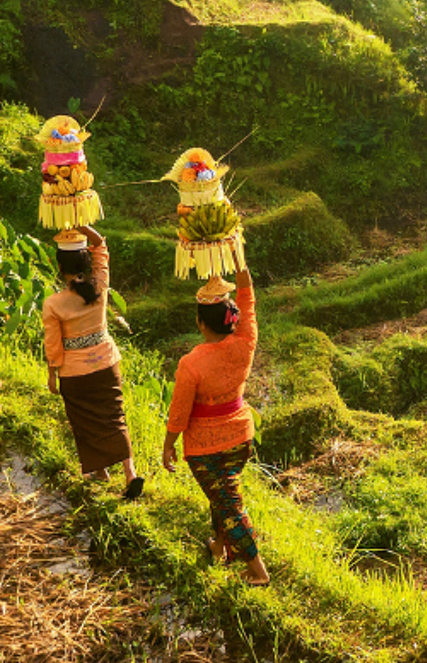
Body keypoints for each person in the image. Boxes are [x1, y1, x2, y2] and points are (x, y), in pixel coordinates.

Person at [161, 269, 270, 586]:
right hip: (240, 439)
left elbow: (180, 411)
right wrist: (241, 267)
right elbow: (248, 299)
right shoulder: (245, 342)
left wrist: (169, 443)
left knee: (230, 506)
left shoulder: (191, 363)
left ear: (200, 322)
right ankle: (220, 547)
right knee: (221, 497)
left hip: (207, 448)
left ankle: (258, 572)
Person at [43, 225, 143, 500]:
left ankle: (100, 471)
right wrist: (80, 226)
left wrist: (52, 375)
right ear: (87, 261)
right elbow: (102, 247)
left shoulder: (53, 304)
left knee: (84, 421)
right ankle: (130, 473)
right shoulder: (99, 284)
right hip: (107, 364)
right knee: (115, 416)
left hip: (75, 373)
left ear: (59, 266)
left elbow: (53, 344)